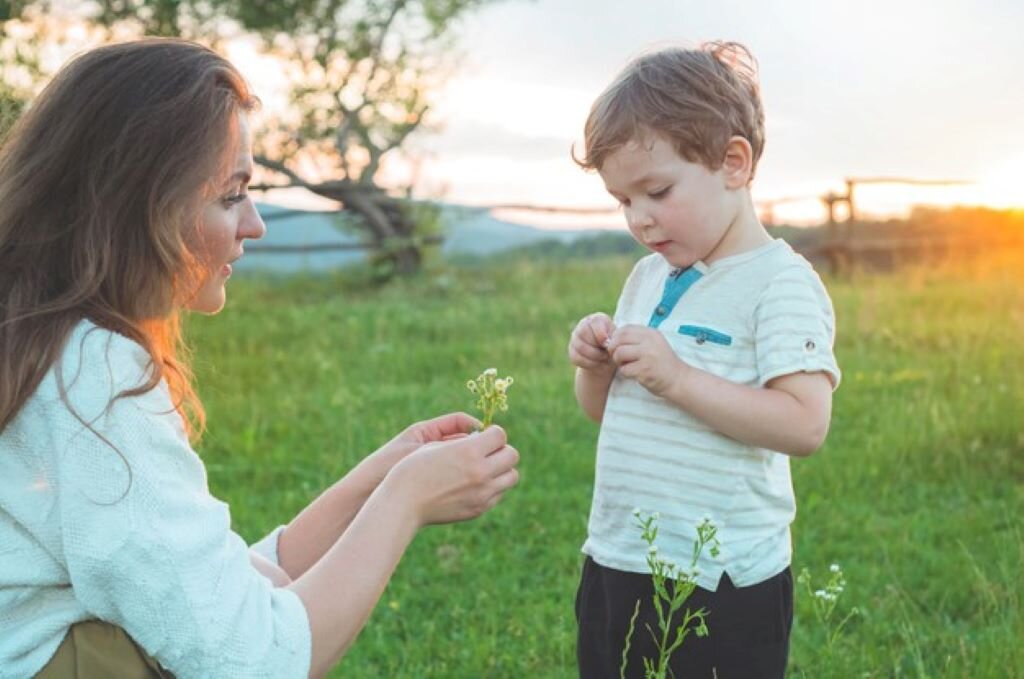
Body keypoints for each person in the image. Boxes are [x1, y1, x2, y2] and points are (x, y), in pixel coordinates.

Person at [0, 38, 520, 678]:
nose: (255, 223)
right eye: (230, 194)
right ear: (139, 203)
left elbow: (207, 587)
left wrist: (378, 479)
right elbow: (252, 661)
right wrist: (405, 501)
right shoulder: (94, 376)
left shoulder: (43, 347)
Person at [567, 42, 841, 678]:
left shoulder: (780, 284)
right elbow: (603, 415)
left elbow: (805, 425)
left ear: (733, 163)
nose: (638, 218)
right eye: (622, 200)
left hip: (722, 583)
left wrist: (679, 377)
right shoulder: (647, 276)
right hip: (619, 555)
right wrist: (596, 369)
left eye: (656, 191)